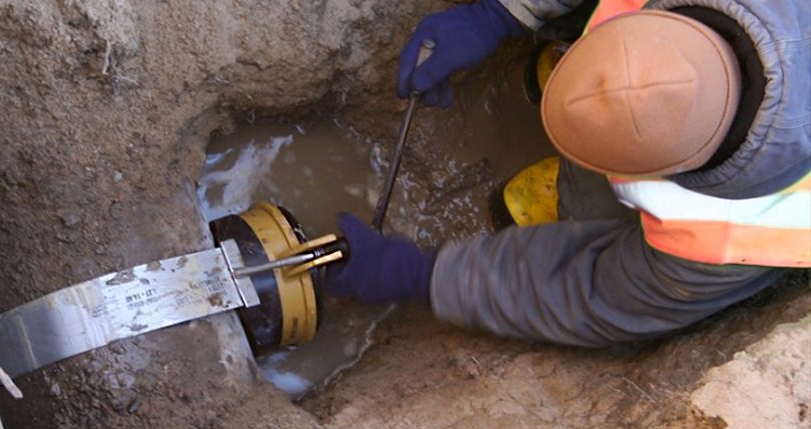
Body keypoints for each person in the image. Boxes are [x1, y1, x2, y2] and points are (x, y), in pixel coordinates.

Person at [326, 0, 810, 347]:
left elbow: (597, 292)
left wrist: (427, 275)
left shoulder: (742, 235)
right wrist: (502, 11)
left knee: (586, 210)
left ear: (673, 169)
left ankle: (586, 194)